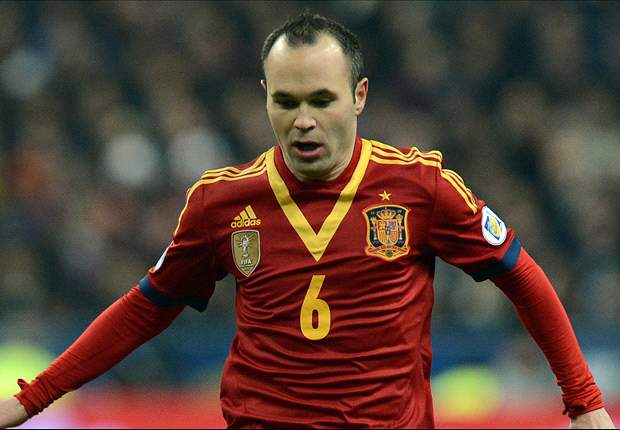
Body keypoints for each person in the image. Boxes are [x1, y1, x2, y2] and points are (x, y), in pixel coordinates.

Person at [0, 11, 615, 429]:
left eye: (322, 100)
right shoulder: (221, 203)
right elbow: (146, 307)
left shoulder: (420, 187)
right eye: (285, 101)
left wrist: (583, 400)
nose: (303, 121)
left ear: (359, 96)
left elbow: (520, 274)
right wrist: (34, 397)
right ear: (264, 96)